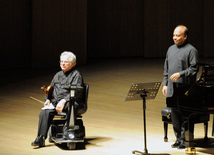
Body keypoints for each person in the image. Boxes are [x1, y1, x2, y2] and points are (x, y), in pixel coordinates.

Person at [31, 51, 85, 147]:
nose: (62, 64)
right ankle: (41, 138)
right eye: (61, 62)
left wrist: (64, 101)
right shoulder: (57, 75)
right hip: (56, 102)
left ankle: (67, 130)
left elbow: (78, 91)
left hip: (71, 102)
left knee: (71, 107)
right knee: (44, 112)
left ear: (72, 63)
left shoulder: (76, 75)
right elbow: (50, 89)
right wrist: (47, 99)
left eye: (65, 62)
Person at [162, 25, 199, 149]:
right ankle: (178, 139)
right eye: (174, 35)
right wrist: (165, 83)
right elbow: (166, 68)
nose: (175, 38)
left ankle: (185, 140)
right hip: (172, 88)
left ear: (185, 36)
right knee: (174, 114)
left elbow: (194, 69)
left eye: (178, 35)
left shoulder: (191, 50)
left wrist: (180, 74)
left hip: (185, 89)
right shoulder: (170, 49)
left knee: (184, 115)